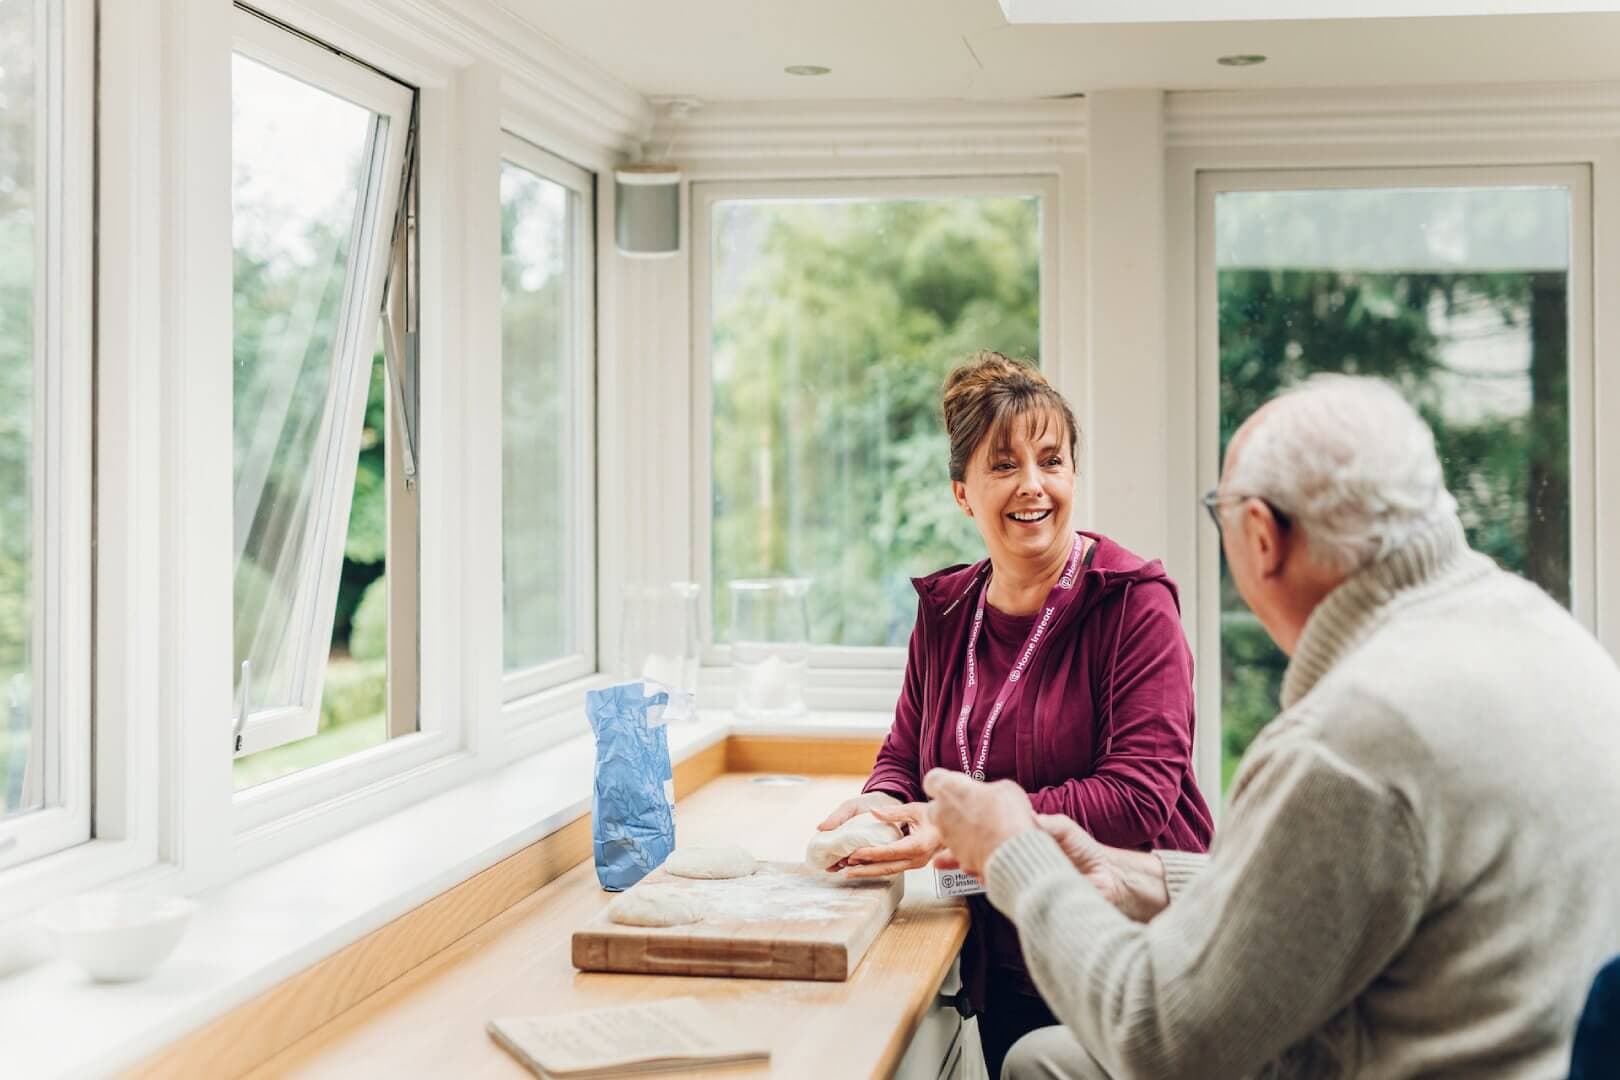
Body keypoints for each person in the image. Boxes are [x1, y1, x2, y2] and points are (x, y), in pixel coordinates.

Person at [920, 374, 1620, 1079]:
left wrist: (1016, 856)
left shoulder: (1349, 743)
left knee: (1038, 1065)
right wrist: (1146, 877)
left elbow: (1160, 1036)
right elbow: (1346, 890)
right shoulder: (1554, 638)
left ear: (1260, 535)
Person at [816, 352, 1213, 1077]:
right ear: (963, 492)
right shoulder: (946, 611)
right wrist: (880, 805)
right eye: (1004, 465)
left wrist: (964, 830)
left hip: (1129, 947)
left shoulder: (1134, 603)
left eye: (1051, 460)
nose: (1033, 485)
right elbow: (908, 754)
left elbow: (1137, 801)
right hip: (1002, 956)